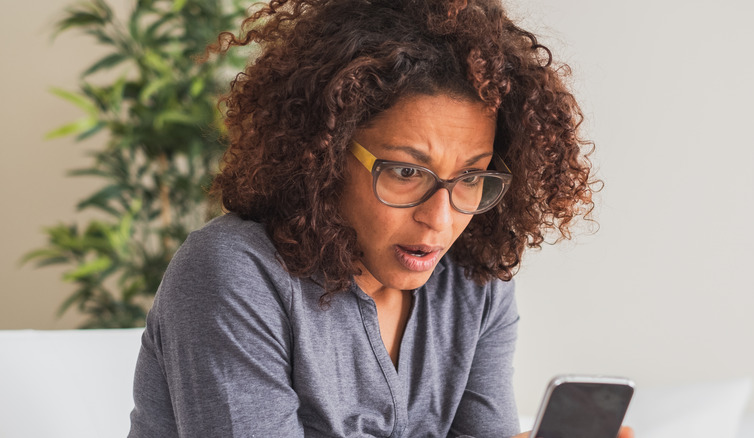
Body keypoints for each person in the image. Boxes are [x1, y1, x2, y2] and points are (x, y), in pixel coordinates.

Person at [129, 0, 629, 437]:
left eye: (471, 178)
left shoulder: (476, 281)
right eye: (408, 172)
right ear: (323, 155)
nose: (439, 219)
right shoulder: (234, 274)